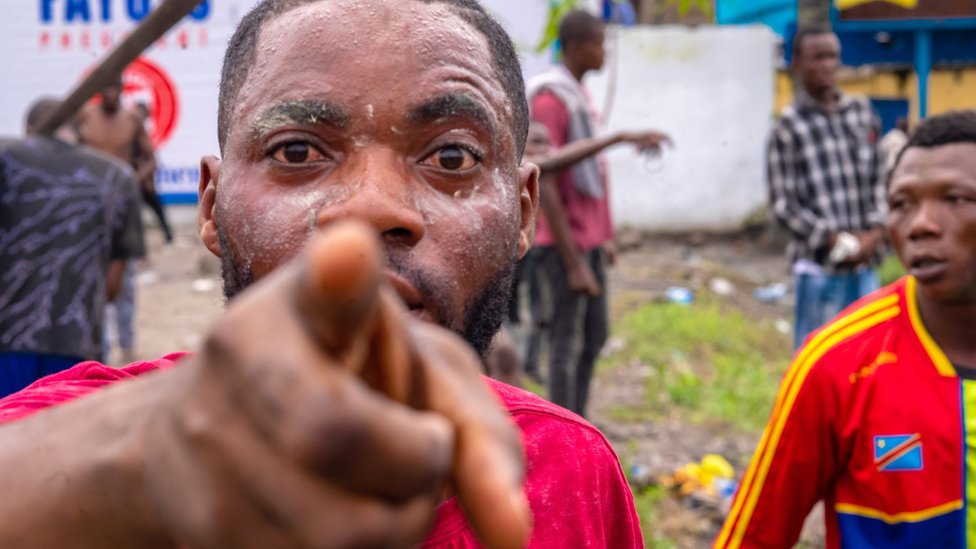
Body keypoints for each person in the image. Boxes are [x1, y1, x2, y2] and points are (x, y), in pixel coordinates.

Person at [0, 1, 643, 547]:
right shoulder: (55, 436)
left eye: (452, 156)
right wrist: (135, 465)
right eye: (297, 151)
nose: (371, 208)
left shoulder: (576, 472)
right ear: (212, 208)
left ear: (523, 212)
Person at [715, 110, 976, 548]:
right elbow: (754, 536)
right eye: (901, 204)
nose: (921, 224)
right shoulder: (839, 364)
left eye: (955, 198)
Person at [527, 9, 670, 416]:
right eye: (598, 43)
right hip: (563, 244)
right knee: (565, 343)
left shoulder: (577, 95)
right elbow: (545, 178)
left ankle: (579, 422)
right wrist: (573, 262)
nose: (605, 51)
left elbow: (590, 175)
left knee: (594, 336)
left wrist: (603, 237)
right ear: (575, 47)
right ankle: (563, 431)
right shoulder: (551, 99)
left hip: (587, 240)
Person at [0, 99, 144, 396]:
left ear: (29, 129)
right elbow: (113, 287)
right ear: (79, 130)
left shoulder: (7, 160)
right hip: (78, 344)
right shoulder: (117, 176)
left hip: (7, 340)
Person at [769, 27, 887, 349]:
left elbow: (881, 179)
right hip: (818, 271)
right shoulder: (789, 126)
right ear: (796, 64)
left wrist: (874, 233)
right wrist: (834, 240)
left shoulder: (861, 113)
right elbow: (783, 205)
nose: (827, 65)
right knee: (820, 359)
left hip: (866, 267)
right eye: (817, 57)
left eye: (832, 56)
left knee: (870, 356)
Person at [79, 76, 155, 363]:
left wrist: (133, 180)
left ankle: (127, 345)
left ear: (122, 90)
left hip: (122, 208)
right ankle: (97, 346)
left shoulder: (131, 120)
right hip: (88, 205)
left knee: (125, 277)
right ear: (99, 91)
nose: (111, 93)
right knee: (88, 274)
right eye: (106, 87)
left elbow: (150, 159)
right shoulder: (85, 117)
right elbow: (71, 152)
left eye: (115, 88)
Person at [133, 102, 174, 244]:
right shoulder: (126, 132)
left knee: (157, 209)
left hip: (143, 183)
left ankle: (168, 236)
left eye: (142, 115)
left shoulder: (142, 136)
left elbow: (153, 162)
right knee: (132, 216)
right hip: (133, 184)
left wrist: (137, 177)